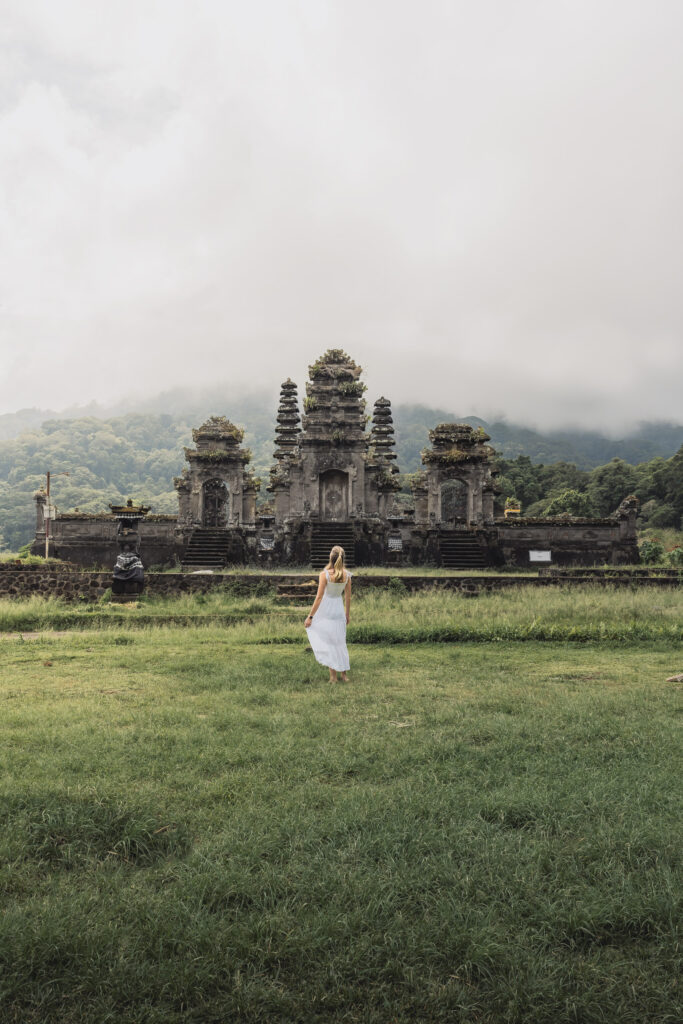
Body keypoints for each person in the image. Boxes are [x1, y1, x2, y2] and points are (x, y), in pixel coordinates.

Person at [304, 545, 351, 683]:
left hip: (326, 609)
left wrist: (310, 616)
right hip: (338, 609)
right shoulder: (347, 575)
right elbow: (348, 597)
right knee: (340, 642)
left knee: (330, 642)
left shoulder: (324, 575)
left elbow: (319, 598)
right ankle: (344, 676)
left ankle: (333, 677)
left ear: (331, 557)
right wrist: (347, 615)